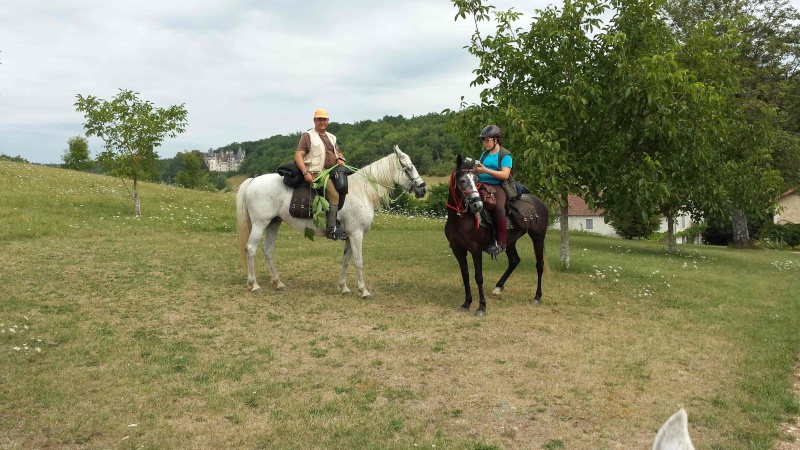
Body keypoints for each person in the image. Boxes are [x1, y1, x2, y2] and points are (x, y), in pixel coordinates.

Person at [294, 109, 347, 240]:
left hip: (333, 170)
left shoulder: (332, 137)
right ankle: (331, 229)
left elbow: (338, 153)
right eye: (319, 119)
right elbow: (298, 155)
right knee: (334, 195)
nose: (322, 122)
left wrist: (341, 158)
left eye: (325, 119)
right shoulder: (308, 136)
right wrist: (305, 172)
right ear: (314, 121)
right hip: (317, 172)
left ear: (328, 121)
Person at [474, 124, 511, 255]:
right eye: (483, 140)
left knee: (499, 208)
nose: (484, 143)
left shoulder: (505, 155)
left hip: (497, 187)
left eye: (487, 140)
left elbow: (505, 175)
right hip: (481, 184)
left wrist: (485, 170)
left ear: (496, 140)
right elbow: (479, 170)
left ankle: (501, 242)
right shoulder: (484, 154)